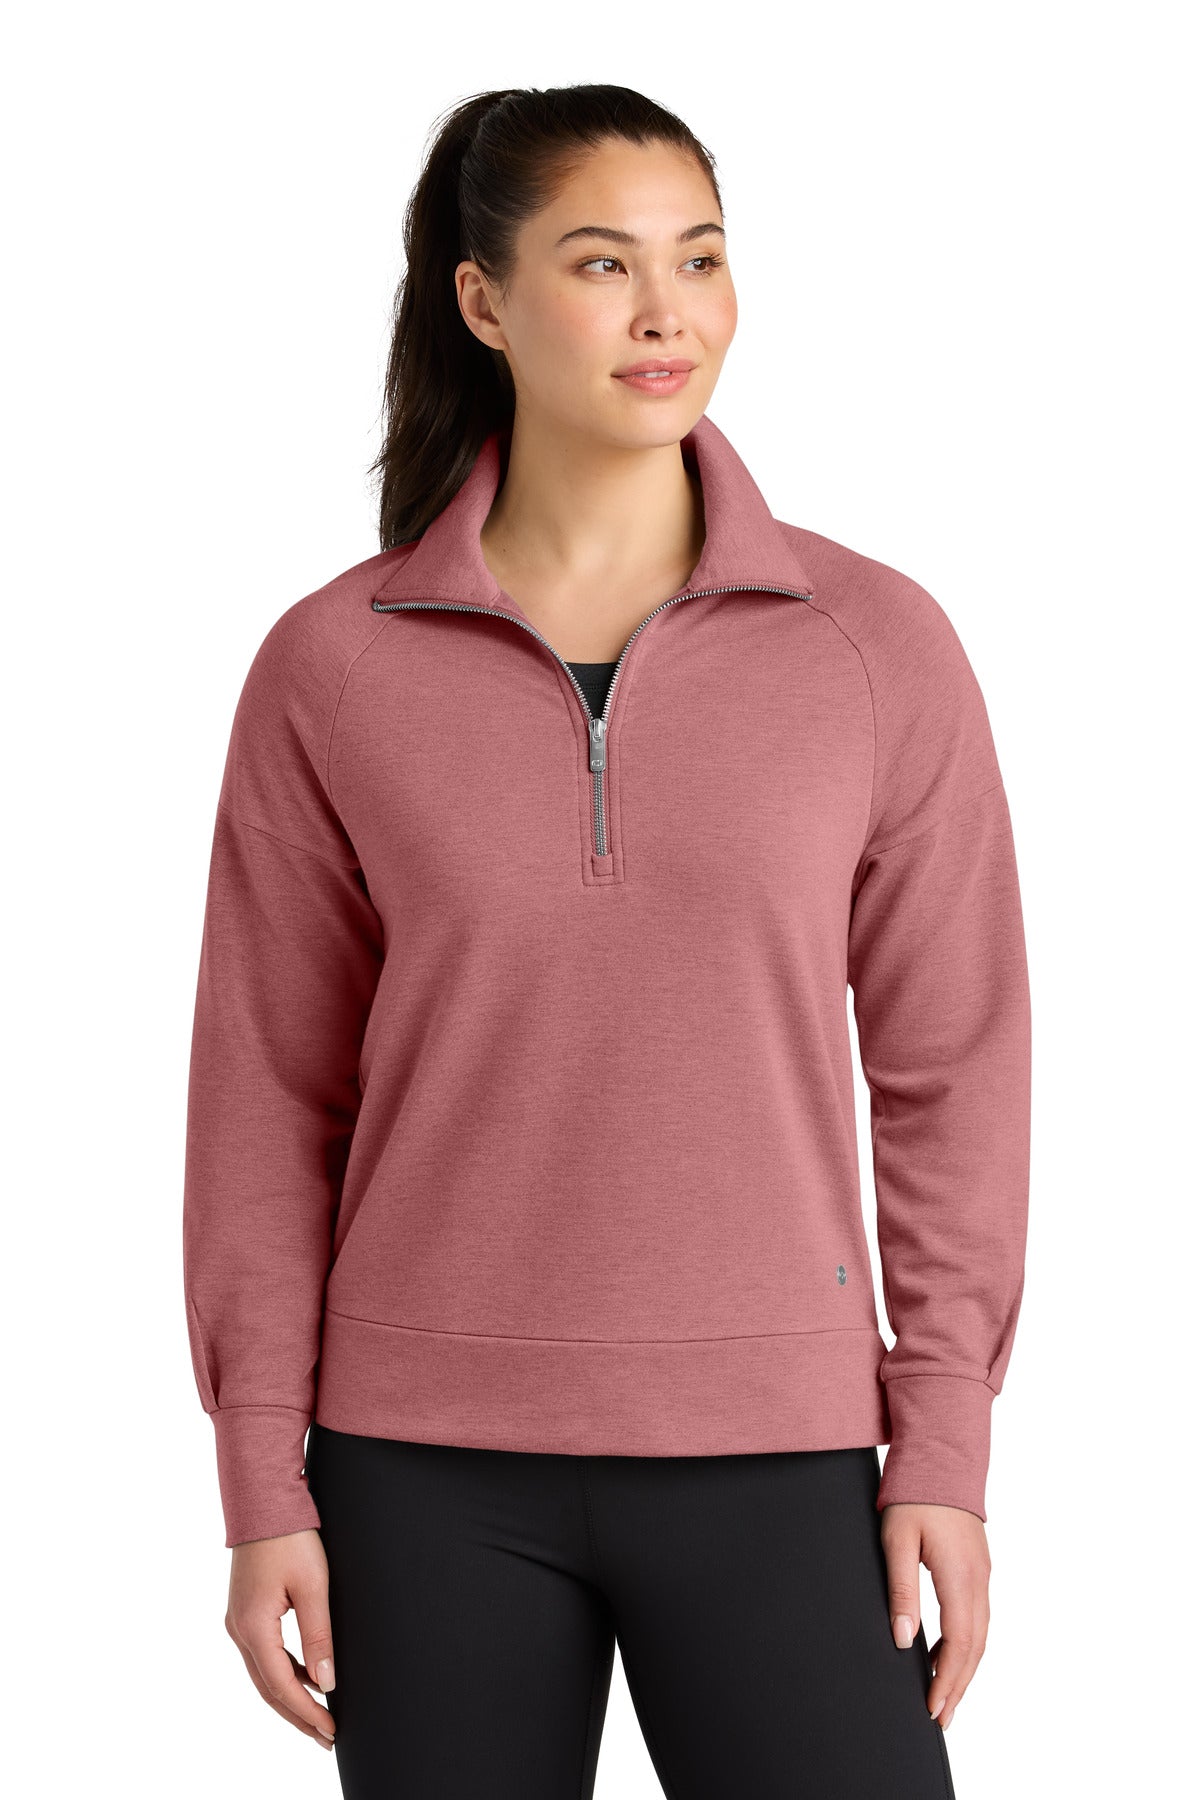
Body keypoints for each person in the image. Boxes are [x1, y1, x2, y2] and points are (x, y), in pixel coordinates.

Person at [182, 82, 1030, 1799]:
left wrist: (941, 1438)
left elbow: (955, 1073)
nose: (666, 312)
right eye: (601, 263)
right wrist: (261, 1476)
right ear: (481, 301)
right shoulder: (334, 667)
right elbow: (266, 1098)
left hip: (785, 1449)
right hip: (419, 1470)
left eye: (700, 259)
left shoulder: (874, 647)